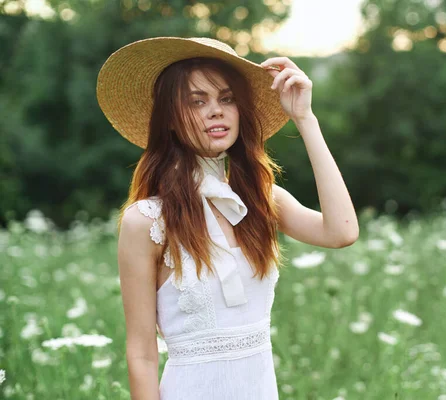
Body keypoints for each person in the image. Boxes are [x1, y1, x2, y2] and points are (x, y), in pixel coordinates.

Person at [96, 37, 359, 400]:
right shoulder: (146, 221)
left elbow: (342, 232)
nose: (216, 111)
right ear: (170, 120)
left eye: (226, 98)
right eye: (197, 101)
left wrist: (305, 118)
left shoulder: (260, 200)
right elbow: (141, 354)